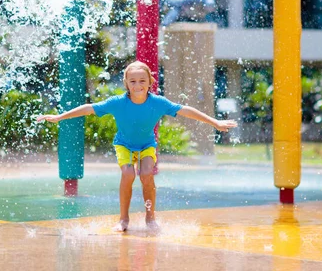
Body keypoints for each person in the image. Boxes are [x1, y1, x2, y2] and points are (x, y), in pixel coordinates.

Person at [36, 61, 237, 232]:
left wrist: (216, 123)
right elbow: (89, 108)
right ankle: (124, 219)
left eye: (142, 81)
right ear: (126, 83)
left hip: (147, 144)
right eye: (133, 81)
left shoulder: (158, 102)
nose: (138, 85)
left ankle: (150, 218)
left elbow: (186, 110)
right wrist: (60, 117)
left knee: (147, 174)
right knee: (129, 174)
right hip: (124, 145)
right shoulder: (117, 102)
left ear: (150, 82)